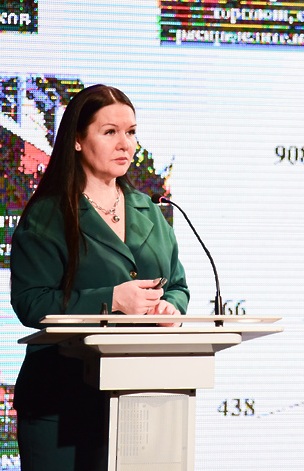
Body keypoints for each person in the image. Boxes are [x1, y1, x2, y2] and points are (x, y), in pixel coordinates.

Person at [10, 84, 190, 470]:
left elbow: (176, 285)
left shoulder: (150, 210)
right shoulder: (48, 215)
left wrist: (170, 308)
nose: (125, 144)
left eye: (131, 132)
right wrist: (112, 300)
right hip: (60, 403)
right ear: (77, 140)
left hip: (139, 396)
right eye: (110, 132)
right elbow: (30, 301)